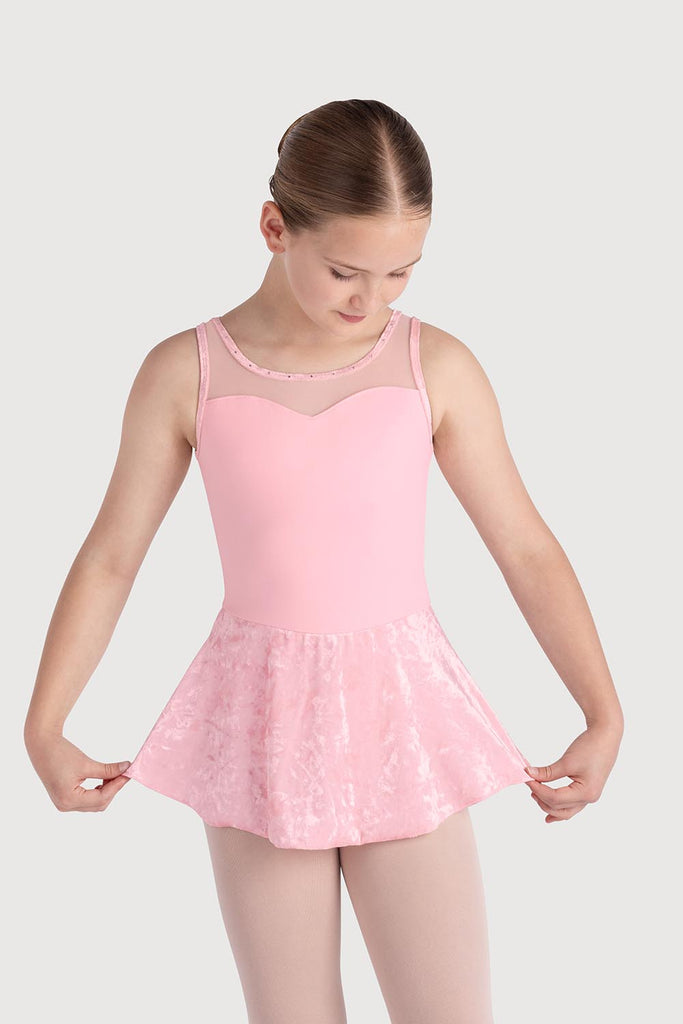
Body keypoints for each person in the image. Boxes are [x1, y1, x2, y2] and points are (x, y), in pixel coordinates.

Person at [24, 98, 624, 1024]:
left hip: (400, 719)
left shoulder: (435, 366)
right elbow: (111, 557)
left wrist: (601, 711)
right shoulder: (186, 372)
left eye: (400, 273)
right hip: (256, 722)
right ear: (275, 228)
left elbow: (526, 548)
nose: (369, 300)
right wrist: (46, 722)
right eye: (345, 270)